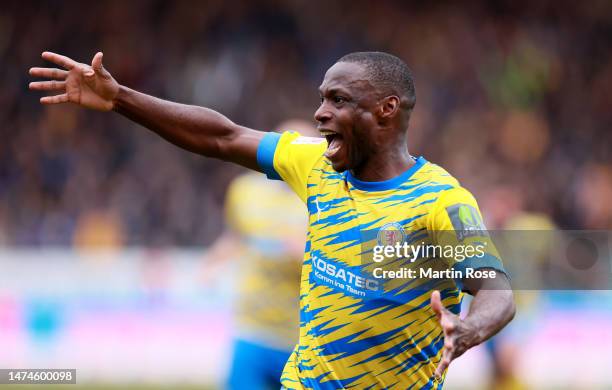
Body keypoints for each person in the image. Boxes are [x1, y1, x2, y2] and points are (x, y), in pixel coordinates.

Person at [29, 50, 515, 389]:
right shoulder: (315, 166)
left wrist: (469, 330)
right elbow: (222, 136)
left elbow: (498, 291)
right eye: (323, 98)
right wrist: (119, 99)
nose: (320, 114)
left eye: (338, 100)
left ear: (387, 110)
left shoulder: (440, 202)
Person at [203, 120, 316, 390]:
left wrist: (304, 253)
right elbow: (237, 236)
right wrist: (211, 263)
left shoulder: (324, 202)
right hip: (252, 329)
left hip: (301, 339)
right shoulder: (245, 191)